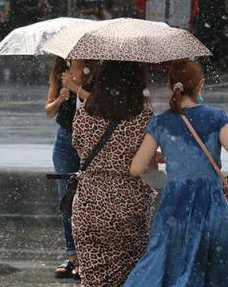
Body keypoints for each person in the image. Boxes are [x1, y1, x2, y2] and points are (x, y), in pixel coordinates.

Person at [125, 59, 228, 287]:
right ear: (200, 85)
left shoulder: (160, 123)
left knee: (164, 261)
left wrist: (166, 156)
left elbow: (136, 168)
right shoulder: (217, 117)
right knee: (216, 266)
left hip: (174, 204)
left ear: (172, 87)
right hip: (210, 203)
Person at [71, 60, 156, 286]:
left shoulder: (83, 116)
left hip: (87, 205)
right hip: (128, 207)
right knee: (130, 277)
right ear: (137, 82)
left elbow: (79, 150)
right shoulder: (144, 119)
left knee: (92, 279)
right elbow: (148, 169)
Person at [45, 58, 95, 280]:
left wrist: (76, 88)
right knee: (67, 199)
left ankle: (88, 256)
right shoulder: (59, 72)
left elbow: (98, 103)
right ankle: (72, 255)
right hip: (65, 138)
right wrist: (60, 100)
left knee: (88, 198)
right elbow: (48, 110)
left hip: (91, 141)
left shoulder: (94, 73)